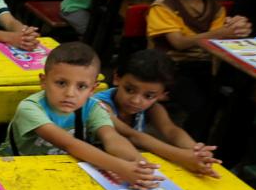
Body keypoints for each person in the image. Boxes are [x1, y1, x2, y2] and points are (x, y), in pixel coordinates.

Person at [0, 41, 162, 190]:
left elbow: (112, 138)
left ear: (92, 89)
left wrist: (139, 166)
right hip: (11, 168)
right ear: (43, 81)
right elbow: (70, 144)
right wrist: (121, 167)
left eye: (81, 86)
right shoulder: (30, 108)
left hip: (60, 171)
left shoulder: (92, 107)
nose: (70, 94)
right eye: (61, 83)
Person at [147, 0, 251, 135]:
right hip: (168, 67)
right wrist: (221, 33)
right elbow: (178, 43)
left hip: (202, 65)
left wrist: (235, 30)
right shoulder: (163, 6)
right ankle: (192, 147)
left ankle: (214, 146)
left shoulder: (215, 10)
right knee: (200, 105)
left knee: (232, 96)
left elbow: (217, 45)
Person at [93, 49, 218, 177]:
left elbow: (172, 131)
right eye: (129, 90)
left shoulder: (154, 108)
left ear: (162, 95)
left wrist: (197, 151)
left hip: (125, 165)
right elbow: (131, 135)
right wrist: (181, 156)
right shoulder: (99, 105)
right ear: (117, 78)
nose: (136, 100)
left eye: (148, 96)